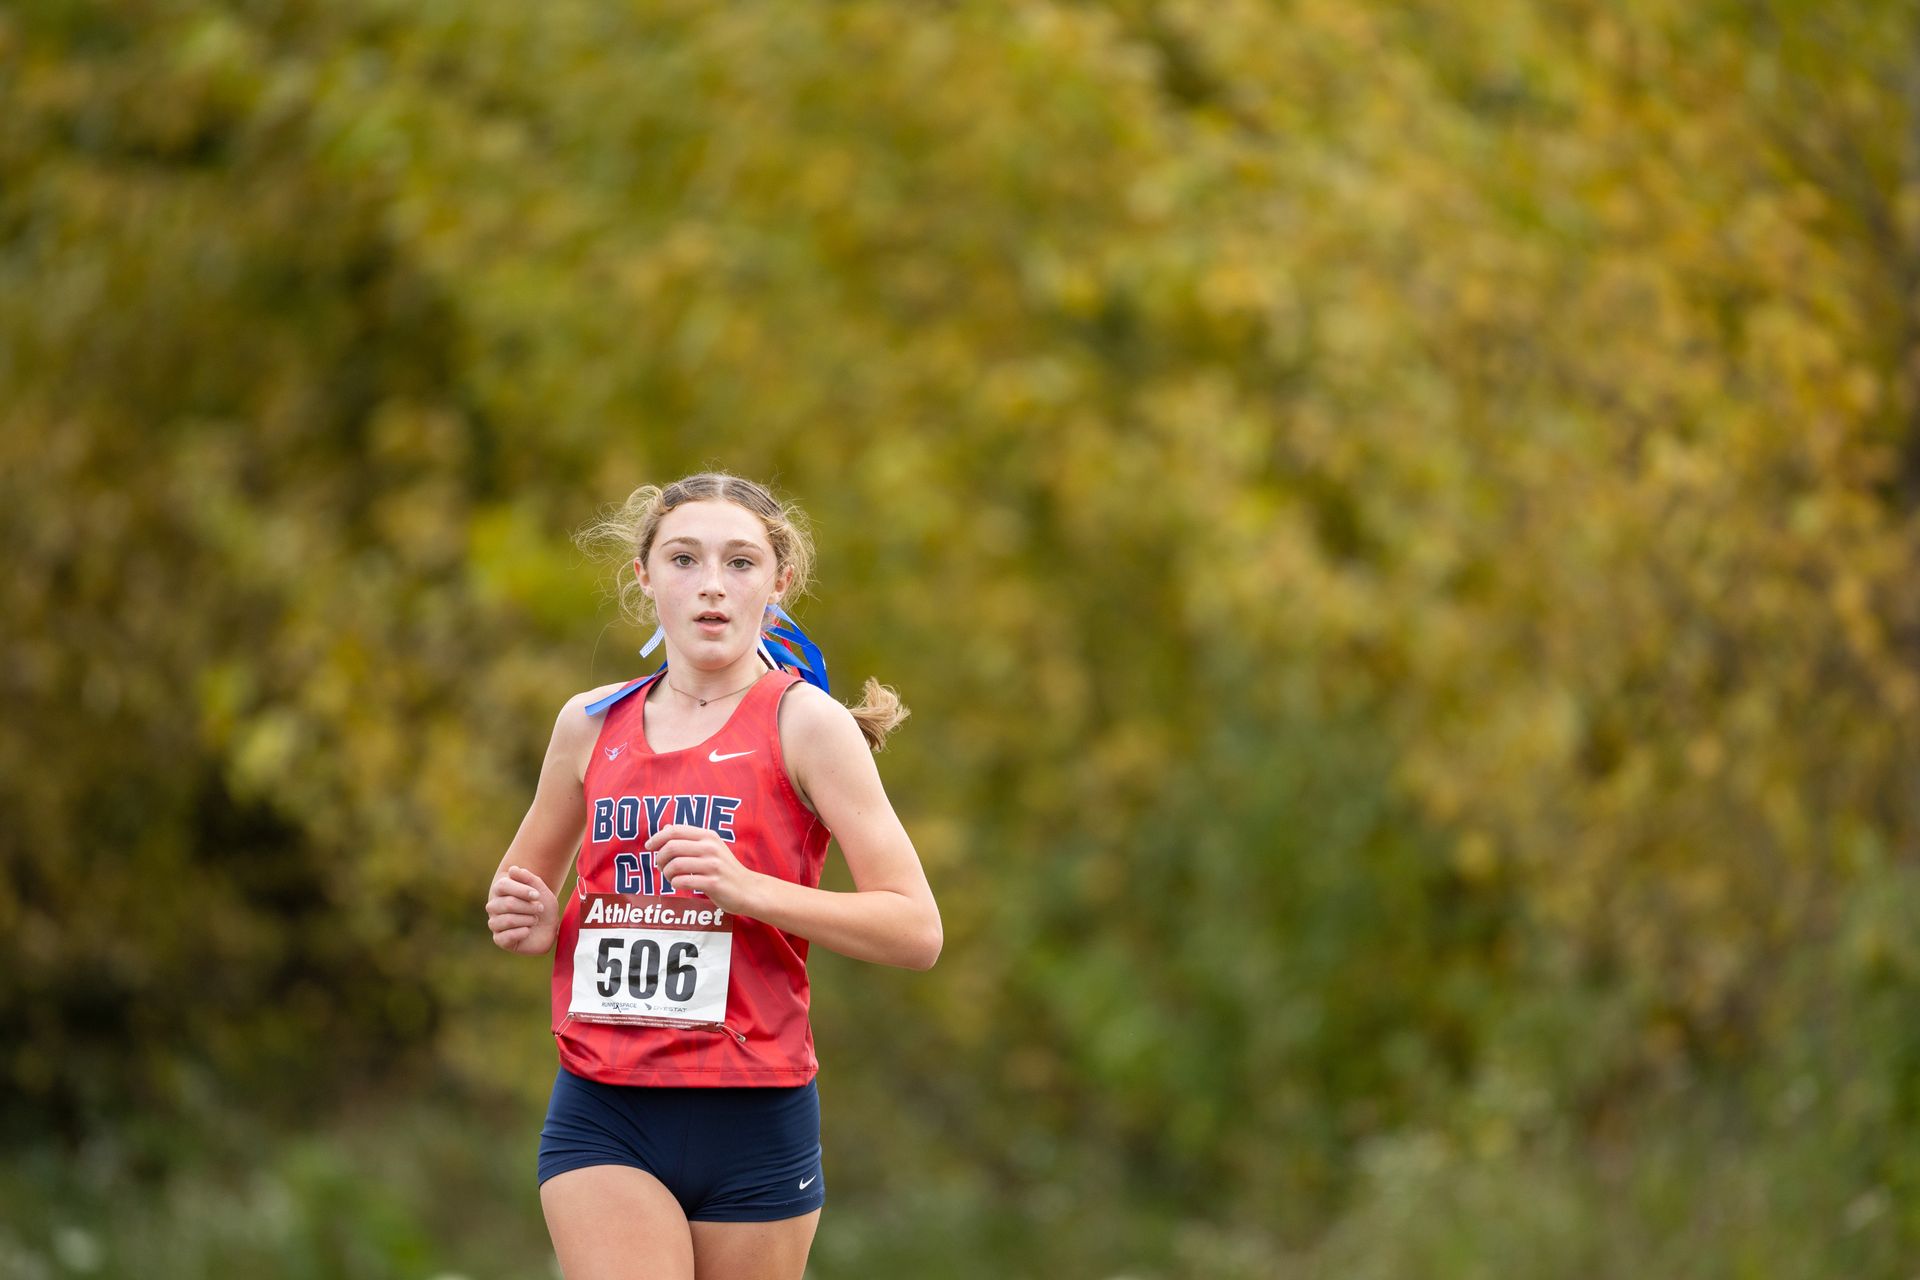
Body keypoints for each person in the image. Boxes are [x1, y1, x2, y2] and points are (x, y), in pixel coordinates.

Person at [483, 473, 942, 1280]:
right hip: (605, 1103)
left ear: (778, 584)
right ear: (645, 577)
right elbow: (524, 900)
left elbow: (916, 930)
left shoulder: (807, 724)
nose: (711, 587)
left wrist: (747, 888)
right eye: (685, 560)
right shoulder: (588, 723)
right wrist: (533, 922)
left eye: (740, 563)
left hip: (754, 1112)